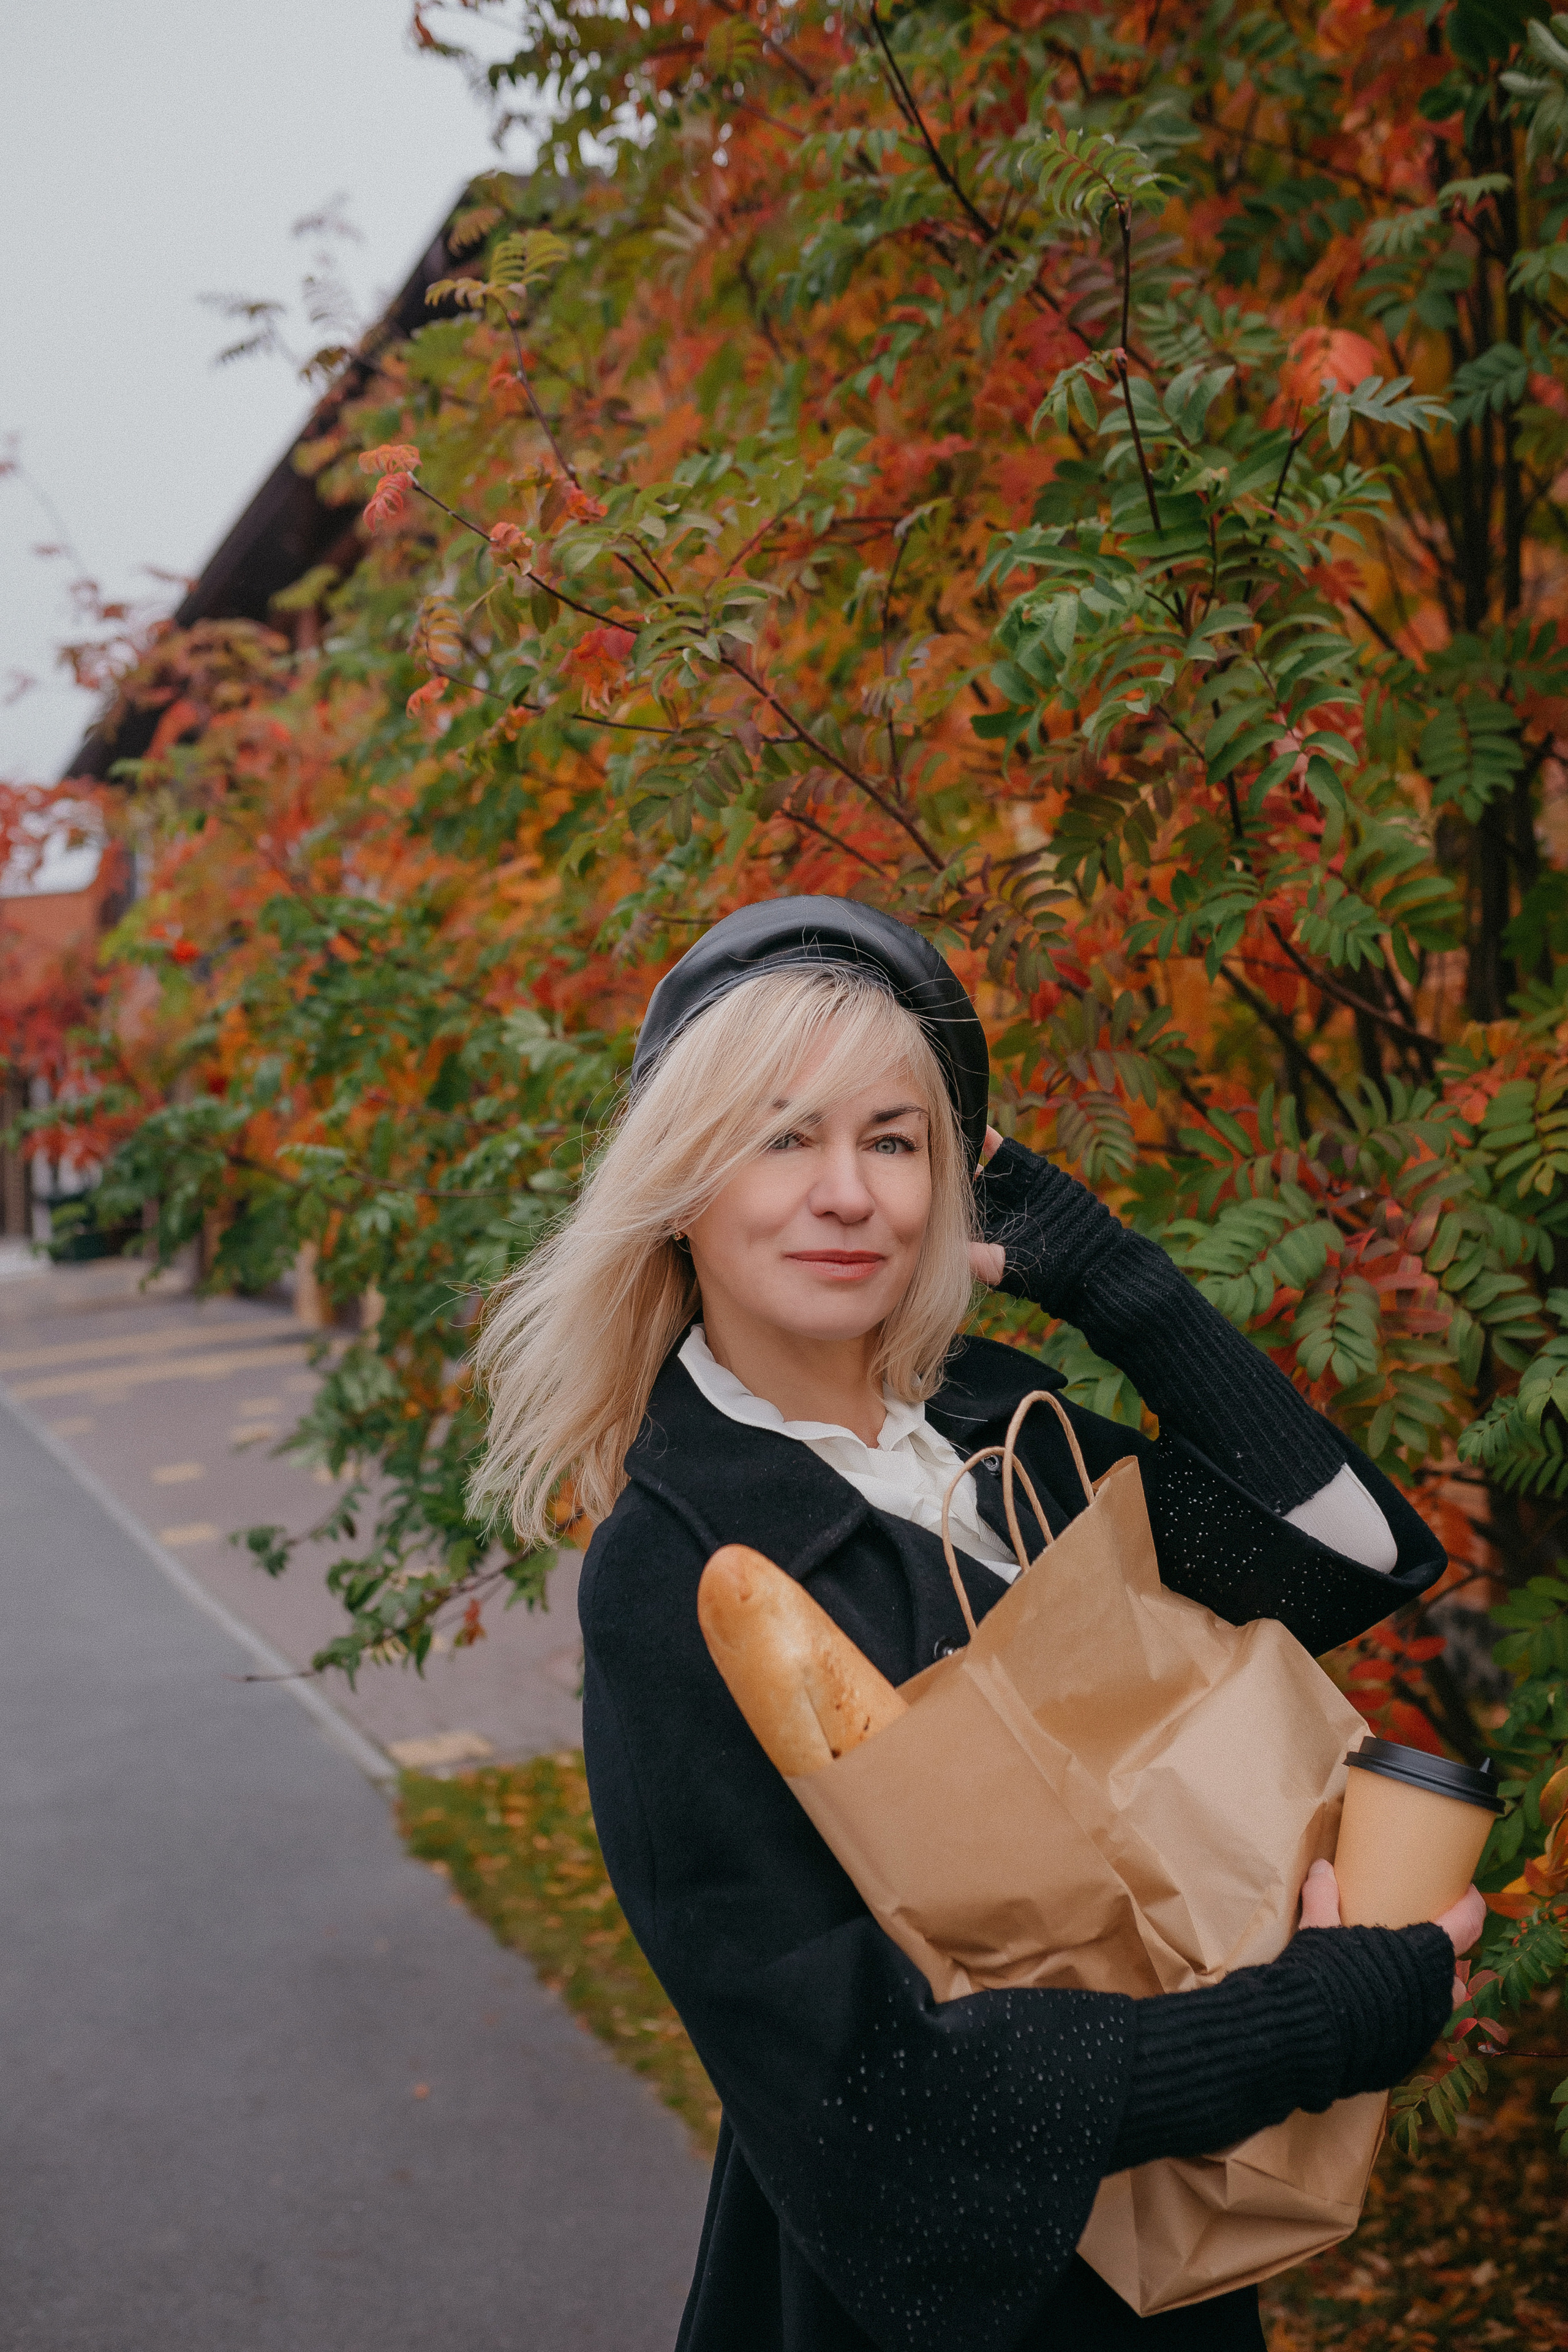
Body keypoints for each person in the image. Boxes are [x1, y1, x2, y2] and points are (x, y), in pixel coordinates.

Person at [472, 898, 1482, 2352]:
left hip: (1177, 2263)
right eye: (781, 1136)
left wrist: (1108, 1280)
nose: (849, 1194)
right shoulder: (677, 1570)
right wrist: (1320, 2017)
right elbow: (872, 2082)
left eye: (894, 1141)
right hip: (952, 2307)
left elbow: (1352, 1558)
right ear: (679, 1185)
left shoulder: (990, 1430)